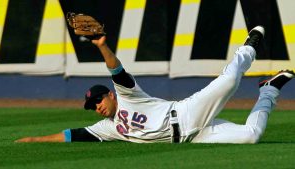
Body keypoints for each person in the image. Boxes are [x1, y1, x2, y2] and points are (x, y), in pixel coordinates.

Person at [16, 26, 295, 144]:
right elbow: (71, 135)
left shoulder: (127, 96)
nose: (96, 107)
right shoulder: (108, 128)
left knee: (231, 80)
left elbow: (116, 69)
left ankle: (247, 49)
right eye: (92, 106)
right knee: (251, 136)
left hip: (185, 114)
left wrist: (102, 46)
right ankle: (269, 89)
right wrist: (33, 140)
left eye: (98, 100)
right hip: (191, 138)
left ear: (111, 96)